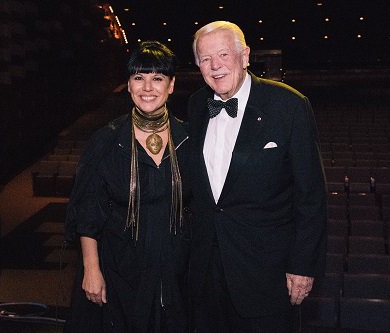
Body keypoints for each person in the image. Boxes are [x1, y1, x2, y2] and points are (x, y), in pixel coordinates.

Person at [187, 21, 327, 332]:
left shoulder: (289, 105)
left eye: (223, 54)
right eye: (205, 59)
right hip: (206, 272)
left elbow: (311, 196)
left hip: (267, 274)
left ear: (245, 55)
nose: (215, 66)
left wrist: (302, 266)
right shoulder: (196, 105)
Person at [64, 41, 191, 333]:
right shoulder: (106, 141)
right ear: (129, 85)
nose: (148, 87)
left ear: (171, 86)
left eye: (157, 78)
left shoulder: (190, 138)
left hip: (175, 271)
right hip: (120, 269)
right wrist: (91, 270)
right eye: (139, 77)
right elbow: (87, 213)